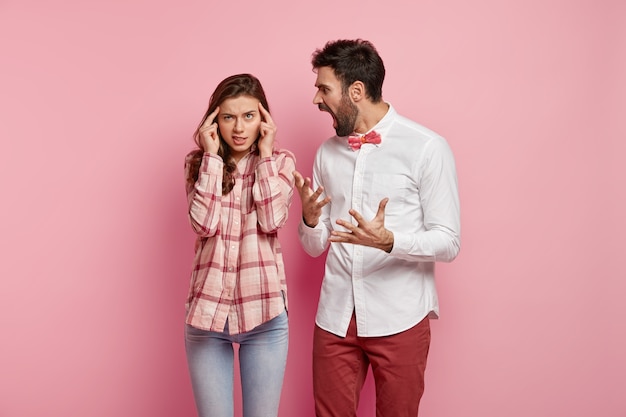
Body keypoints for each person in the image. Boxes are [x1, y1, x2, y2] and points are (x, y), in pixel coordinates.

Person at [294, 39, 461, 417]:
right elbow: (316, 246)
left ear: (356, 91)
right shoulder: (326, 153)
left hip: (399, 314)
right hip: (335, 317)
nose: (316, 100)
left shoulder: (426, 148)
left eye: (324, 88)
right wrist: (309, 219)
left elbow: (449, 241)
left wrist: (390, 242)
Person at [183, 73, 295, 417]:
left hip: (264, 315)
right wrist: (213, 159)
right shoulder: (199, 164)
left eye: (249, 116)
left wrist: (264, 157)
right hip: (207, 317)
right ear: (215, 121)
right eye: (228, 117)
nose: (239, 128)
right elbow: (203, 224)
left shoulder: (281, 162)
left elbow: (272, 221)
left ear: (264, 119)